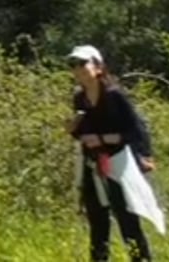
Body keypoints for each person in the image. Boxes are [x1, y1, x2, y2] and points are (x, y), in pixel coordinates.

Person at [68, 43, 156, 261]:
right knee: (98, 224)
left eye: (82, 63)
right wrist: (74, 130)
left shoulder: (114, 96)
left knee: (128, 222)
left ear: (98, 67)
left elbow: (134, 130)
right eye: (73, 64)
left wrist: (104, 139)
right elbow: (81, 133)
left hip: (118, 163)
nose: (77, 68)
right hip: (92, 165)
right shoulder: (79, 98)